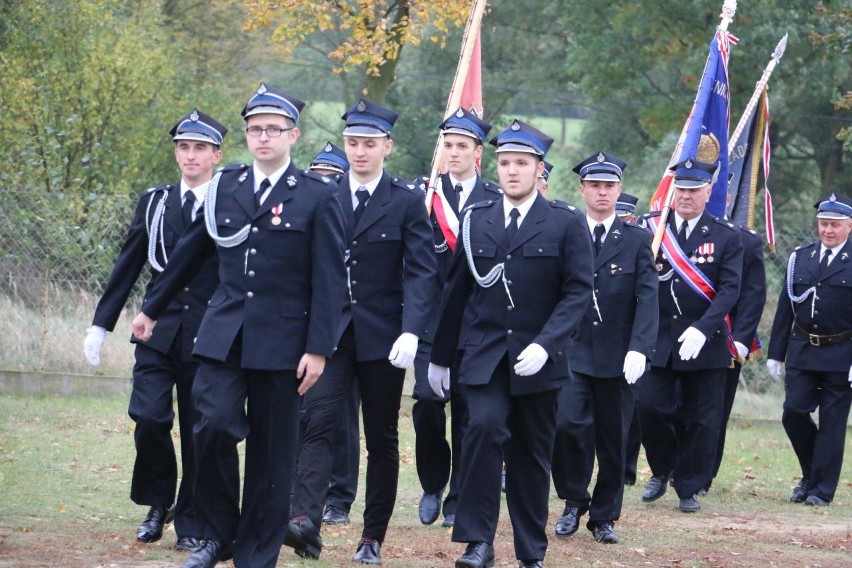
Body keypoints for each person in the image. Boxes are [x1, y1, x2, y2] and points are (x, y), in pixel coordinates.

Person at [130, 83, 347, 568]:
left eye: (273, 130)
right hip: (223, 333)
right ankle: (219, 533)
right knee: (212, 427)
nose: (263, 138)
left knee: (272, 456)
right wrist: (151, 308)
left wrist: (319, 348)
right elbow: (189, 254)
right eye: (255, 130)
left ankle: (256, 552)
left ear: (293, 135)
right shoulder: (225, 186)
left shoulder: (316, 196)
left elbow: (330, 279)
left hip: (285, 342)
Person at [429, 119, 593, 568]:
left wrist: (546, 344)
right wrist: (440, 358)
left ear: (539, 169)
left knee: (530, 453)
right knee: (481, 431)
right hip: (484, 357)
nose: (512, 171)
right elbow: (457, 290)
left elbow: (578, 291)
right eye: (504, 163)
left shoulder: (564, 223)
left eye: (521, 163)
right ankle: (477, 542)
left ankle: (529, 551)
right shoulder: (476, 219)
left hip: (539, 360)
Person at [286, 98, 436, 565]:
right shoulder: (323, 196)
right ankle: (305, 521)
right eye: (353, 143)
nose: (359, 152)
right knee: (316, 422)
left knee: (381, 437)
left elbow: (422, 272)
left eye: (369, 144)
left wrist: (412, 330)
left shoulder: (406, 202)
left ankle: (372, 536)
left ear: (387, 146)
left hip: (383, 340)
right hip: (329, 337)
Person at [83, 109, 226, 553]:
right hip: (157, 329)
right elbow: (129, 263)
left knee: (202, 428)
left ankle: (192, 517)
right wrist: (100, 324)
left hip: (208, 331)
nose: (190, 156)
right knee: (148, 416)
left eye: (199, 148)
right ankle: (158, 503)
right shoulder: (156, 201)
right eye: (183, 147)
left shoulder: (229, 200)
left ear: (216, 155)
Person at [551, 152, 658, 544]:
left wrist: (640, 349)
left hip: (618, 356)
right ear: (582, 190)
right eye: (594, 185)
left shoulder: (636, 240)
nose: (602, 192)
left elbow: (648, 298)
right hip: (573, 351)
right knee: (567, 428)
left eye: (609, 186)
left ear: (619, 190)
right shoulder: (566, 232)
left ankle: (604, 517)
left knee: (614, 440)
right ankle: (572, 500)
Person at [637, 157, 743, 514]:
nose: (685, 196)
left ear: (708, 192)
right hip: (659, 338)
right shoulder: (651, 229)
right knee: (649, 407)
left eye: (694, 190)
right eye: (680, 189)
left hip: (704, 340)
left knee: (701, 418)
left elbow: (729, 290)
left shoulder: (726, 235)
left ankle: (688, 485)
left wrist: (703, 328)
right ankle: (663, 468)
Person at [415, 108, 501, 529]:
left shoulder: (495, 200)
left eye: (461, 146)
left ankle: (459, 495)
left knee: (470, 413)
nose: (453, 153)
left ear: (477, 153)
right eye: (447, 145)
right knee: (429, 404)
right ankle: (433, 483)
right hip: (430, 323)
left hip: (475, 327)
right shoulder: (423, 198)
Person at [767, 193, 852, 507]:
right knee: (793, 413)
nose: (828, 230)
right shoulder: (800, 258)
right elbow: (785, 310)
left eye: (834, 225)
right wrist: (776, 353)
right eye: (823, 224)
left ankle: (819, 491)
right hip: (803, 349)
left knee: (832, 423)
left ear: (849, 226)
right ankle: (811, 473)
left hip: (842, 352)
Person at [308, 141, 360, 526]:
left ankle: (339, 496)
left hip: (347, 326)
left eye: (333, 179)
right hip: (305, 325)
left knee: (342, 416)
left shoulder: (353, 215)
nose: (326, 185)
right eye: (318, 177)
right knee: (304, 414)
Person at [708, 200, 767, 493]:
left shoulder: (745, 239)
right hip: (676, 338)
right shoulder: (667, 233)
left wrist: (742, 342)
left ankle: (702, 475)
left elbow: (753, 295)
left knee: (713, 411)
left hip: (725, 340)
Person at [615, 192, 643, 486]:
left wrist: (640, 346)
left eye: (625, 217)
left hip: (627, 342)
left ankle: (626, 470)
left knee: (626, 418)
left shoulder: (638, 241)